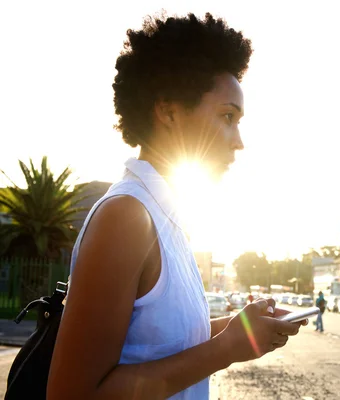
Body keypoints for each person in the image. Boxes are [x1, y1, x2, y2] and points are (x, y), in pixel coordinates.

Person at [47, 12, 305, 400]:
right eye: (227, 117)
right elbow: (71, 395)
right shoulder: (126, 218)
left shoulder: (165, 216)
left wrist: (242, 329)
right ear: (167, 110)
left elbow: (161, 344)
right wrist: (225, 349)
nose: (239, 141)